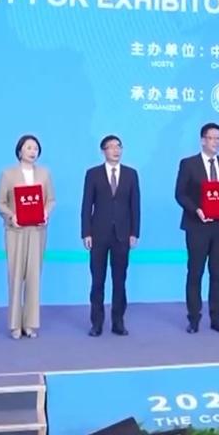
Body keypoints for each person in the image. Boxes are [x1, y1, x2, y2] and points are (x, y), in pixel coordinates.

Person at [175, 122, 219, 333]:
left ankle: (216, 317)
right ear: (203, 140)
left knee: (218, 274)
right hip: (197, 225)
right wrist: (196, 210)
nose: (216, 142)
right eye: (212, 138)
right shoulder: (189, 164)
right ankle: (193, 318)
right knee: (195, 272)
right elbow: (180, 194)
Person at [0, 134, 55, 338]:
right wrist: (12, 216)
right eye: (29, 147)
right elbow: (0, 203)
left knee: (34, 277)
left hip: (37, 231)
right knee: (15, 276)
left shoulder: (45, 174)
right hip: (16, 231)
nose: (33, 151)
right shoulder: (8, 174)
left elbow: (51, 200)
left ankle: (30, 323)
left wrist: (45, 213)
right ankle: (14, 324)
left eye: (35, 148)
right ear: (20, 151)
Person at [81, 135, 141, 337]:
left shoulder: (131, 174)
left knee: (119, 281)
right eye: (111, 147)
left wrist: (134, 232)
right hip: (98, 234)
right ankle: (96, 323)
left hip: (123, 235)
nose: (116, 150)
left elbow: (135, 206)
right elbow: (86, 205)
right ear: (103, 151)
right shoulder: (93, 174)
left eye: (119, 146)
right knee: (97, 281)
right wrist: (86, 232)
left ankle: (118, 322)